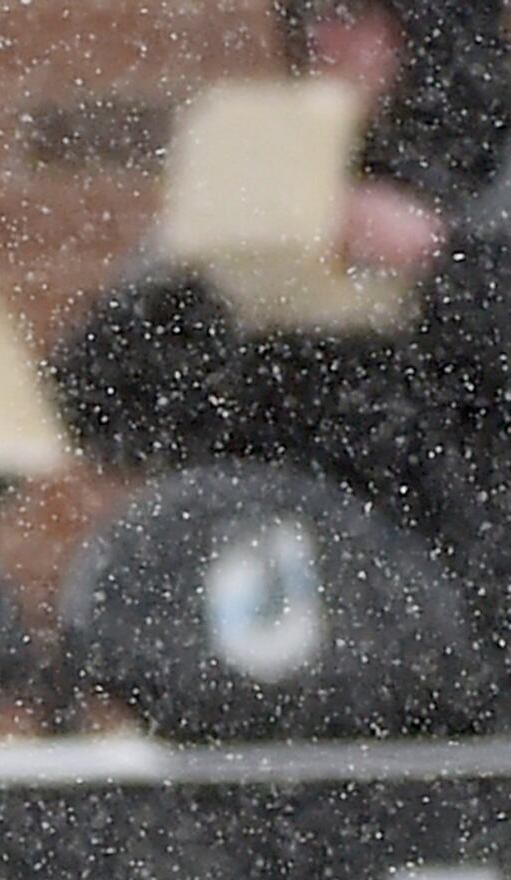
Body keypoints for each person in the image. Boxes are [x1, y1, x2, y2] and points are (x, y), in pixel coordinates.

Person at [49, 0, 511, 621]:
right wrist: (206, 294)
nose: (325, 38)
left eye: (356, 17)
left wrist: (441, 261)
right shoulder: (260, 171)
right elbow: (99, 401)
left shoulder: (491, 176)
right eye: (311, 16)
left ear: (428, 34)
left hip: (457, 582)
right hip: (260, 577)